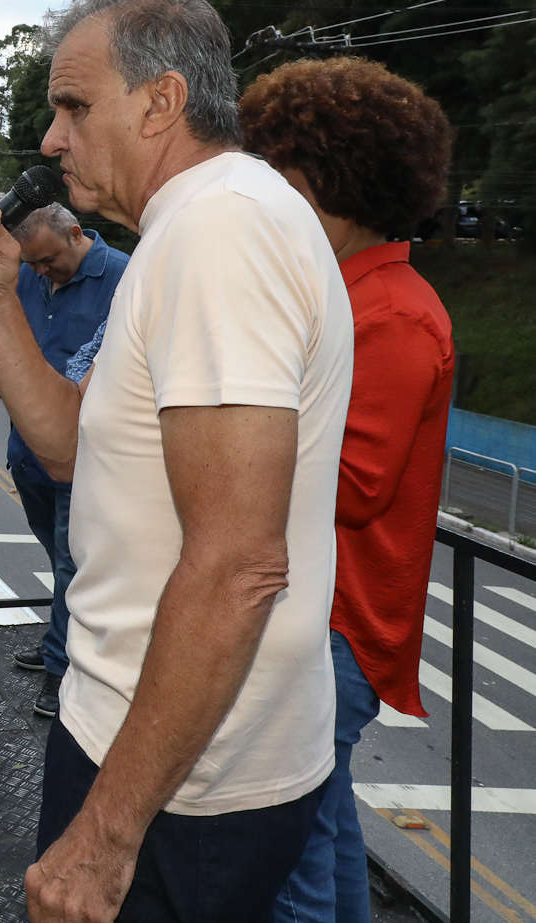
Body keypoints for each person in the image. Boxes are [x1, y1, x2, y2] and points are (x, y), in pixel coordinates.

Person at [0, 0, 352, 922]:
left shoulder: (220, 232)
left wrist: (104, 837)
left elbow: (240, 563)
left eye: (75, 106)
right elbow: (79, 449)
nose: (51, 139)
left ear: (162, 100)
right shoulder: (191, 229)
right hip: (143, 735)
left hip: (178, 778)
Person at [238, 57, 456, 923]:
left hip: (336, 623)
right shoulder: (351, 293)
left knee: (286, 857)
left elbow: (357, 484)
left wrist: (221, 437)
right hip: (319, 613)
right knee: (320, 835)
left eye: (280, 175)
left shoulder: (391, 312)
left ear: (328, 180)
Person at [3, 202, 128, 719]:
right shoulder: (27, 278)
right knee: (56, 556)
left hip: (87, 452)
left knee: (70, 560)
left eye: (48, 260)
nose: (39, 272)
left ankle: (61, 670)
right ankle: (61, 637)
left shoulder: (124, 277)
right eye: (30, 264)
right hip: (25, 447)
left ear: (77, 234)